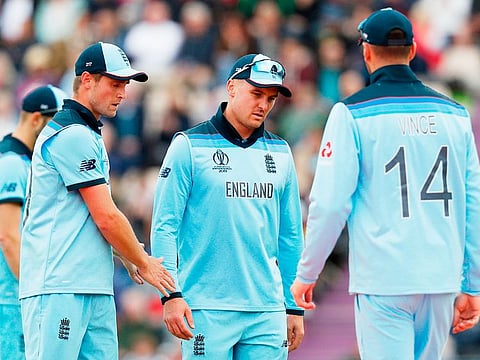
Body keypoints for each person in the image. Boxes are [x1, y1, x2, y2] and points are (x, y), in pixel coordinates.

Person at [290, 7, 480, 360]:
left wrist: (307, 272)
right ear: (412, 51)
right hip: (440, 276)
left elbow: (331, 204)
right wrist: (473, 283)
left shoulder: (350, 113)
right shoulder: (455, 114)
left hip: (384, 276)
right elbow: (472, 204)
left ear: (365, 52)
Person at [18, 42, 175, 360]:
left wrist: (128, 255)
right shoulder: (72, 134)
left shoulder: (86, 132)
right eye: (115, 84)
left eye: (125, 85)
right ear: (87, 80)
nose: (122, 93)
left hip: (90, 282)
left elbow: (92, 214)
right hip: (60, 284)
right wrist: (143, 261)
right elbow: (105, 215)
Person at [150, 53, 305, 359]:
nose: (263, 105)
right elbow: (164, 226)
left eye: (271, 98)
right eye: (256, 94)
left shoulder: (281, 152)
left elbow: (290, 237)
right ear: (232, 87)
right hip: (205, 307)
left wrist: (293, 304)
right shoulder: (189, 146)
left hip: (266, 309)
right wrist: (170, 294)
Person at [0, 84, 67, 360]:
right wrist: (31, 292)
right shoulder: (12, 163)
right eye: (57, 123)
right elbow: (8, 237)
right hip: (10, 299)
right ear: (36, 119)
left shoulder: (25, 160)